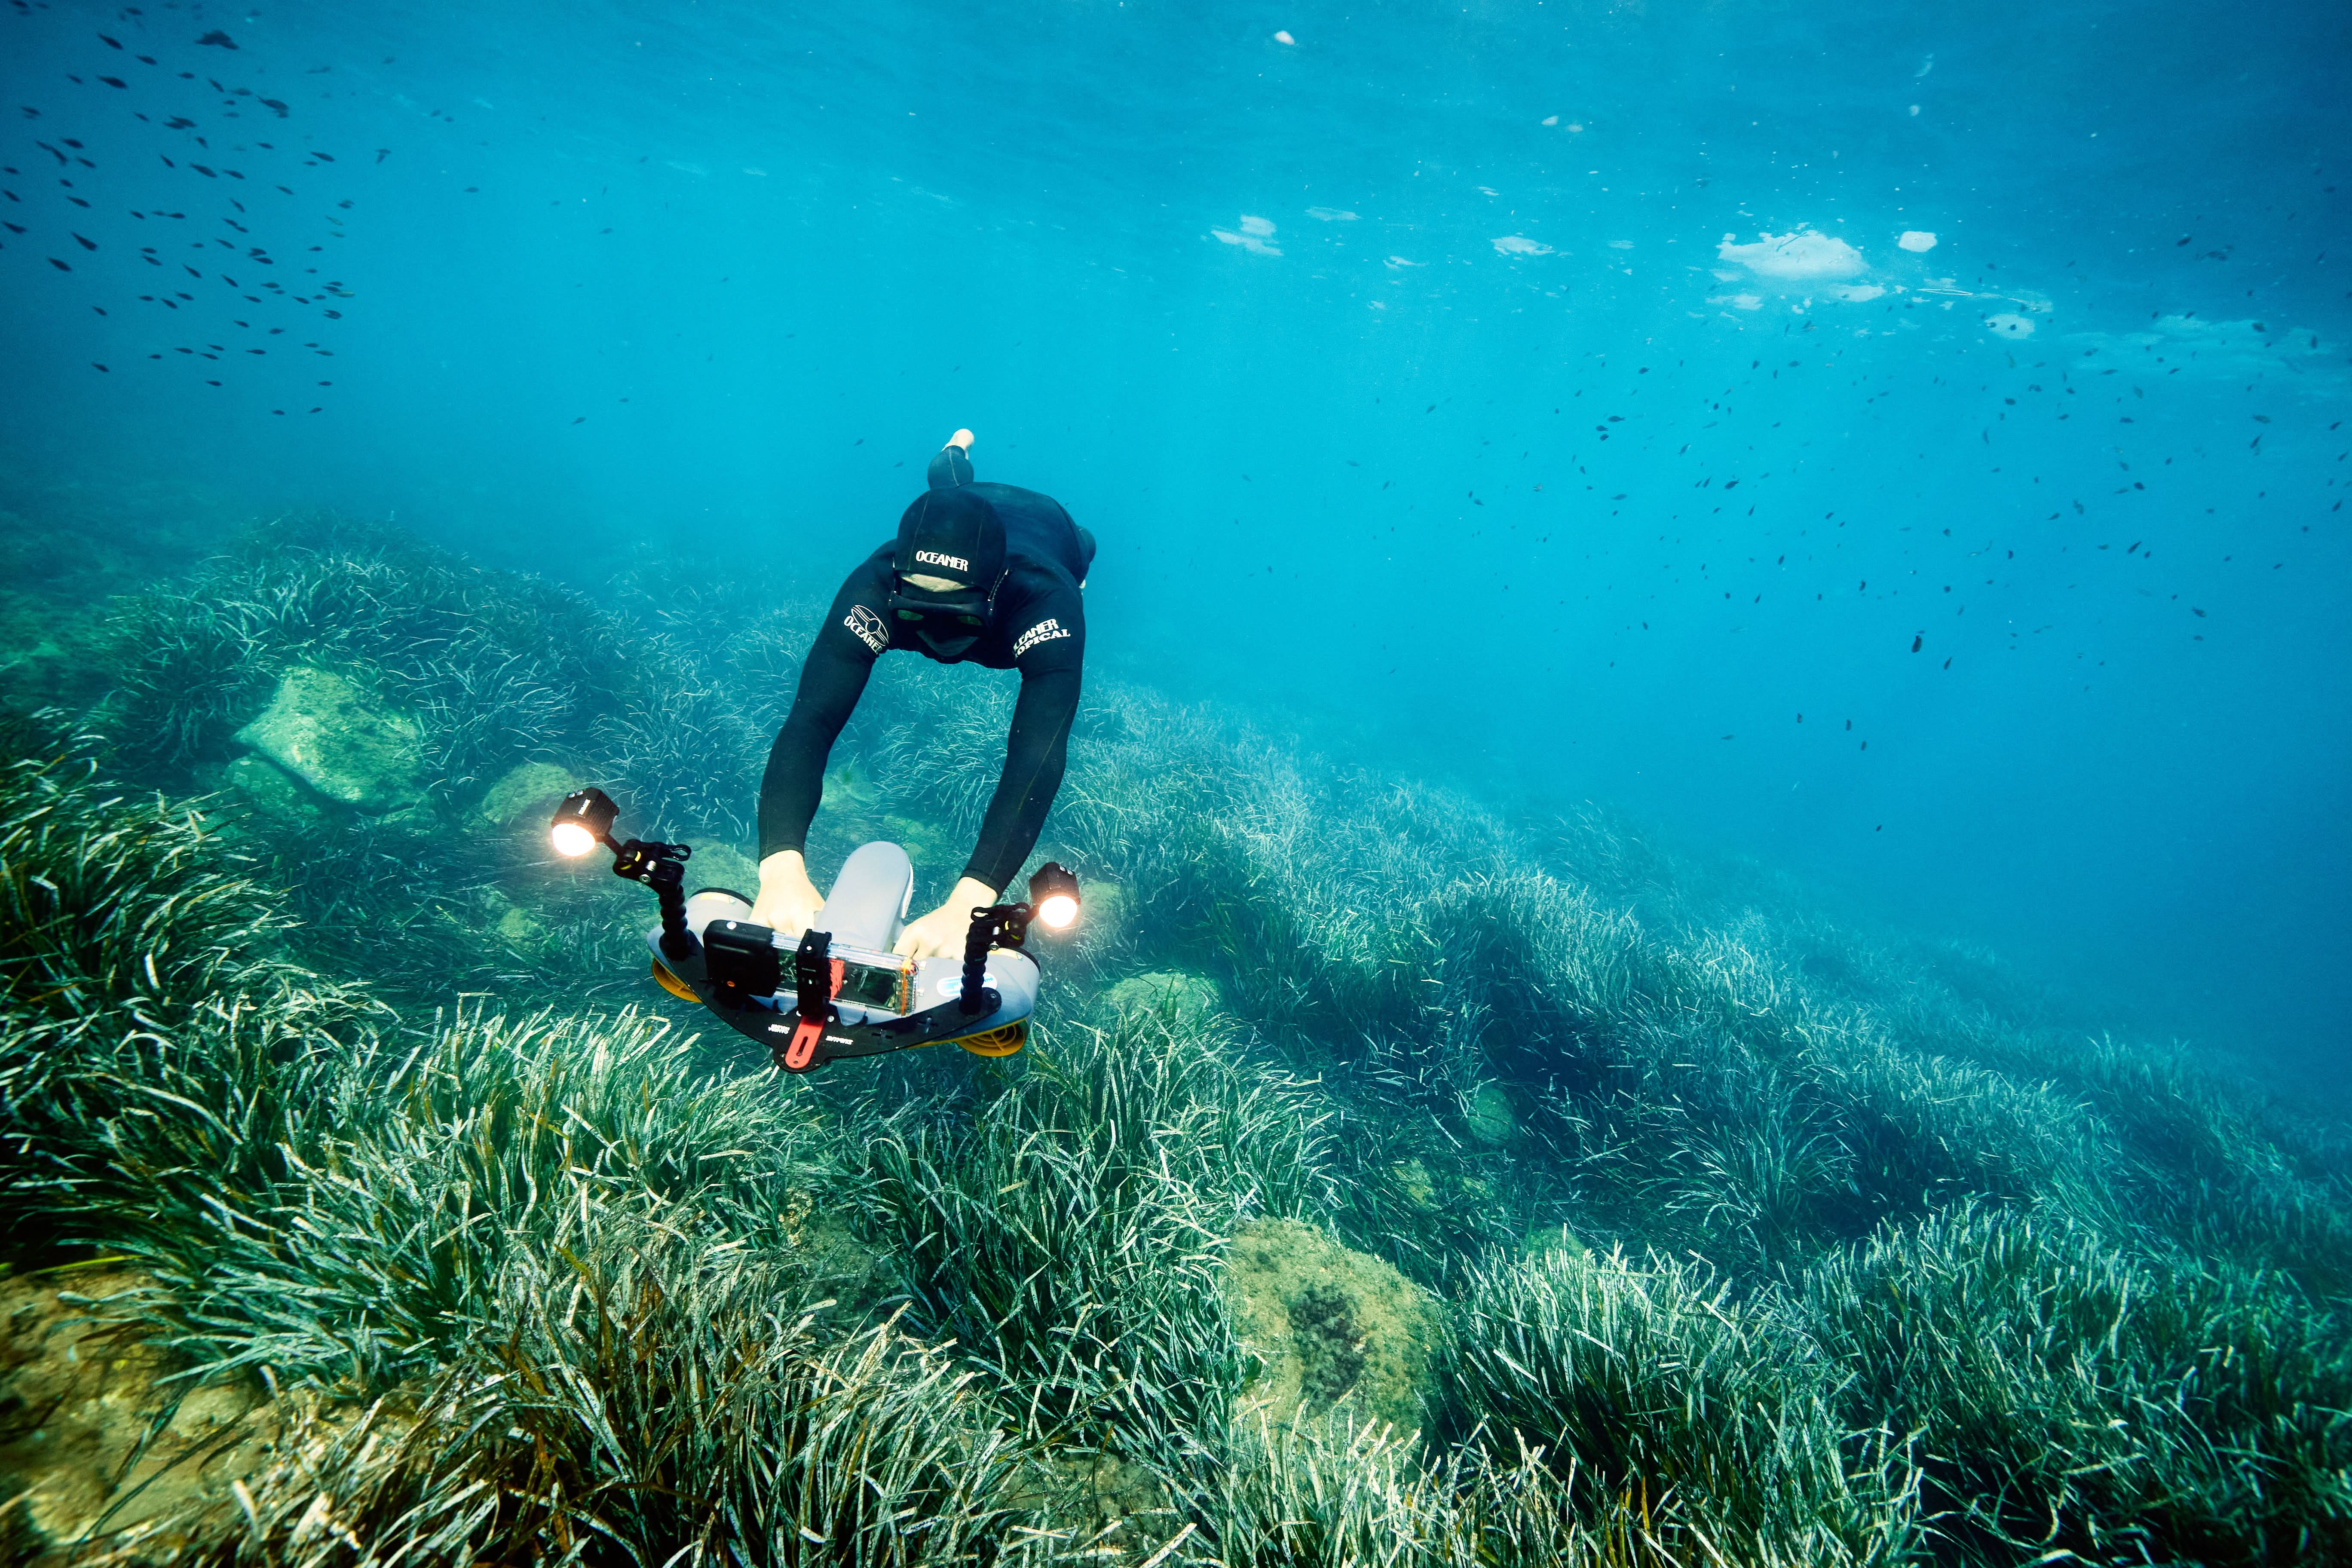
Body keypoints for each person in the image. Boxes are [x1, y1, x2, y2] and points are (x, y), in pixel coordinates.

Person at [749, 430, 1094, 959]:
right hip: (955, 519)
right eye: (916, 612)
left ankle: (962, 455)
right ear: (897, 579)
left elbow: (1037, 756)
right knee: (948, 481)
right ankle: (955, 455)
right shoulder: (874, 583)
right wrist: (780, 869)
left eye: (957, 617)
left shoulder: (1047, 600)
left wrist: (969, 905)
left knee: (1084, 546)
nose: (937, 637)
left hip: (1052, 530)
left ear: (993, 593)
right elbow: (811, 722)